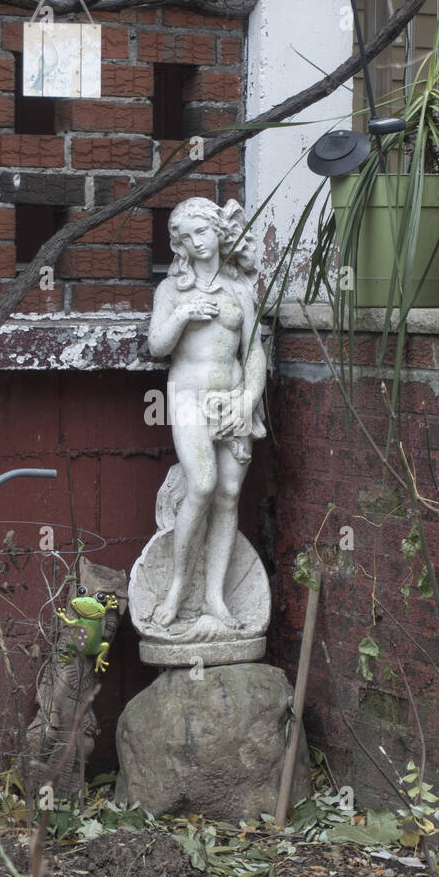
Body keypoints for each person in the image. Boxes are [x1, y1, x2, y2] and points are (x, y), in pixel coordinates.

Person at [147, 198, 266, 630]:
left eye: (203, 232)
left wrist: (249, 397)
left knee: (229, 495)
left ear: (218, 232)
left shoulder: (239, 290)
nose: (197, 243)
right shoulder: (171, 290)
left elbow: (253, 351)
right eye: (187, 236)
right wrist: (182, 314)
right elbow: (157, 345)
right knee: (201, 483)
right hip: (189, 398)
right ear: (179, 244)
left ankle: (215, 597)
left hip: (234, 400)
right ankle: (178, 587)